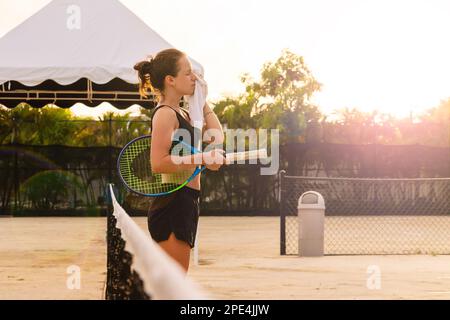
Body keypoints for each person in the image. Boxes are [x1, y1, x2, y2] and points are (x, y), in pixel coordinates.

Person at [134, 48, 225, 272]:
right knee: (172, 290)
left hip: (187, 201)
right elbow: (158, 162)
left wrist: (203, 103)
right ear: (170, 80)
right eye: (188, 73)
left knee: (173, 287)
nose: (194, 78)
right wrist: (202, 157)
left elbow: (216, 136)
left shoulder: (184, 113)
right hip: (173, 203)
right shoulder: (165, 113)